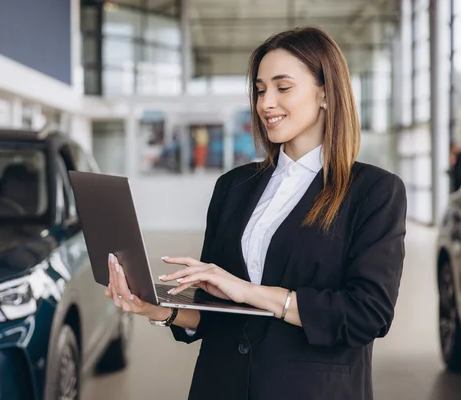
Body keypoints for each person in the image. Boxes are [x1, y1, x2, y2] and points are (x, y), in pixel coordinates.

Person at [105, 26, 406, 400]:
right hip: (221, 385)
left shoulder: (373, 191)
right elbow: (213, 312)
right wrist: (158, 309)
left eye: (283, 87)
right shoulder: (234, 186)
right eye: (261, 90)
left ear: (325, 92)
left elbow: (368, 315)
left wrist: (250, 292)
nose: (265, 103)